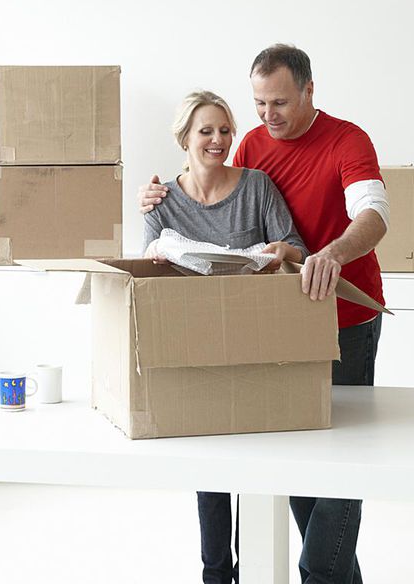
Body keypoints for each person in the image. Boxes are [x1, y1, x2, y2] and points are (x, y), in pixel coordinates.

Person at [140, 45, 389, 584]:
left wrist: (330, 253)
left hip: (348, 314)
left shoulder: (348, 140)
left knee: (344, 456)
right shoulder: (252, 145)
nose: (267, 116)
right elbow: (227, 212)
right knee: (303, 455)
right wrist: (158, 198)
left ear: (309, 91)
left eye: (278, 102)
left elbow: (374, 213)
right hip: (287, 324)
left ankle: (320, 569)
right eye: (257, 103)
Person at [144, 89, 309, 584]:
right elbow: (148, 274)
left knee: (258, 460)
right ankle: (216, 575)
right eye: (206, 131)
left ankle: (261, 567)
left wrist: (282, 250)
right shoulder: (160, 201)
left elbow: (297, 248)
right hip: (196, 346)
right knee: (209, 468)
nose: (218, 140)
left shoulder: (257, 187)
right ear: (184, 138)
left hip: (257, 340)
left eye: (224, 130)